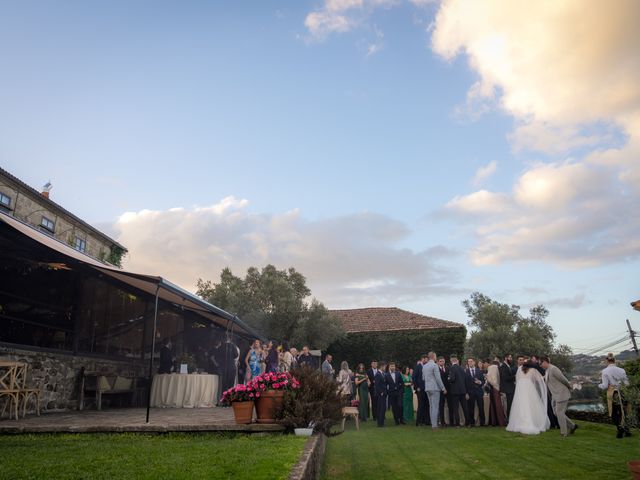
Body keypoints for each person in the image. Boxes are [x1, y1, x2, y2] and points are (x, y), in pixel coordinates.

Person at [506, 362, 550, 435]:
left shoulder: (519, 370)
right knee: (531, 405)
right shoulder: (533, 370)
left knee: (521, 406)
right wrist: (545, 376)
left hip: (520, 391)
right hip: (529, 389)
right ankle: (531, 423)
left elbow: (517, 380)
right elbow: (539, 380)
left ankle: (519, 423)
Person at [540, 356, 577, 437]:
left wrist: (570, 387)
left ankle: (563, 433)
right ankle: (573, 426)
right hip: (555, 395)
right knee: (556, 413)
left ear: (546, 362)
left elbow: (563, 379)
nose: (540, 365)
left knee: (559, 413)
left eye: (541, 363)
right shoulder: (547, 370)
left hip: (561, 393)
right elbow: (545, 379)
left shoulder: (553, 369)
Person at [599, 352, 631, 438]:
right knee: (623, 412)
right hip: (623, 392)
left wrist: (599, 386)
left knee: (613, 413)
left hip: (613, 393)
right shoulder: (622, 370)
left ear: (607, 361)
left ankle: (620, 429)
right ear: (614, 360)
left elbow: (605, 385)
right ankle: (627, 430)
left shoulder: (605, 371)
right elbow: (627, 383)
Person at [530, 354, 559, 428]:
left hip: (543, 389)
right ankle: (554, 423)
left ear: (536, 360)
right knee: (548, 406)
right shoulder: (539, 366)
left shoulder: (537, 366)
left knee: (548, 407)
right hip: (542, 388)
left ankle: (554, 423)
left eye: (532, 358)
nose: (531, 360)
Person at [423, 351, 446, 429]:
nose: (436, 358)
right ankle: (434, 425)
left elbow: (423, 378)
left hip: (427, 388)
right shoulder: (435, 365)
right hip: (435, 388)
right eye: (435, 356)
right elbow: (438, 378)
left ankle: (433, 424)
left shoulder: (424, 366)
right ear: (433, 357)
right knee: (435, 407)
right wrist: (443, 388)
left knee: (431, 407)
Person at [447, 355, 468, 427]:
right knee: (465, 407)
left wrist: (448, 379)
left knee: (456, 408)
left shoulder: (452, 368)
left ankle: (458, 423)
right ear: (457, 360)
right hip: (463, 390)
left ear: (451, 360)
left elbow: (452, 379)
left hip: (455, 391)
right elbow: (465, 380)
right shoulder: (462, 368)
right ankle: (468, 422)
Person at [465, 357, 485, 427]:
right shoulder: (466, 371)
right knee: (471, 408)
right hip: (470, 393)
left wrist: (479, 382)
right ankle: (472, 423)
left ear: (474, 362)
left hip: (479, 392)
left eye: (471, 361)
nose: (469, 363)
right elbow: (465, 383)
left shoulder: (479, 371)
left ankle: (482, 423)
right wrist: (466, 393)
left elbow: (483, 381)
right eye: (468, 361)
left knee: (481, 407)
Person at [486, 360, 506, 426]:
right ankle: (500, 421)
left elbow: (488, 377)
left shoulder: (491, 368)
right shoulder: (494, 367)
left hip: (493, 388)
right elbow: (490, 378)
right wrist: (496, 385)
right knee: (497, 405)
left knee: (494, 404)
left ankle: (494, 421)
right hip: (495, 388)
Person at [499, 354, 517, 419]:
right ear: (506, 358)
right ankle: (508, 418)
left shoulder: (508, 366)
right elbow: (505, 378)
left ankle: (511, 418)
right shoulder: (503, 366)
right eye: (510, 357)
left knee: (511, 404)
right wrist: (514, 376)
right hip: (507, 389)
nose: (511, 359)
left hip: (511, 388)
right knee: (508, 405)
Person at [412, 355, 428, 426]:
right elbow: (414, 377)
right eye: (425, 359)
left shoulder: (426, 366)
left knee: (426, 405)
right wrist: (416, 387)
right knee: (421, 405)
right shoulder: (418, 367)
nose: (426, 361)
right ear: (422, 359)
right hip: (420, 389)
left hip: (426, 389)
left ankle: (425, 420)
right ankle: (418, 421)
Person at [437, 356, 451, 427]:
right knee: (441, 406)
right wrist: (442, 389)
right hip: (440, 390)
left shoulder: (448, 368)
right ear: (438, 362)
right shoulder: (436, 370)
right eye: (440, 361)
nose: (442, 362)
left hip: (448, 390)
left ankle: (450, 421)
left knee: (449, 405)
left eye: (443, 361)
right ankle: (442, 422)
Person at [374, 361, 388, 427]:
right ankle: (380, 423)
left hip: (384, 393)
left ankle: (381, 422)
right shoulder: (378, 374)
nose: (385, 368)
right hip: (380, 394)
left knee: (383, 408)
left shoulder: (383, 373)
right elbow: (377, 385)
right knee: (381, 408)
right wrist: (381, 392)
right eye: (384, 366)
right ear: (382, 366)